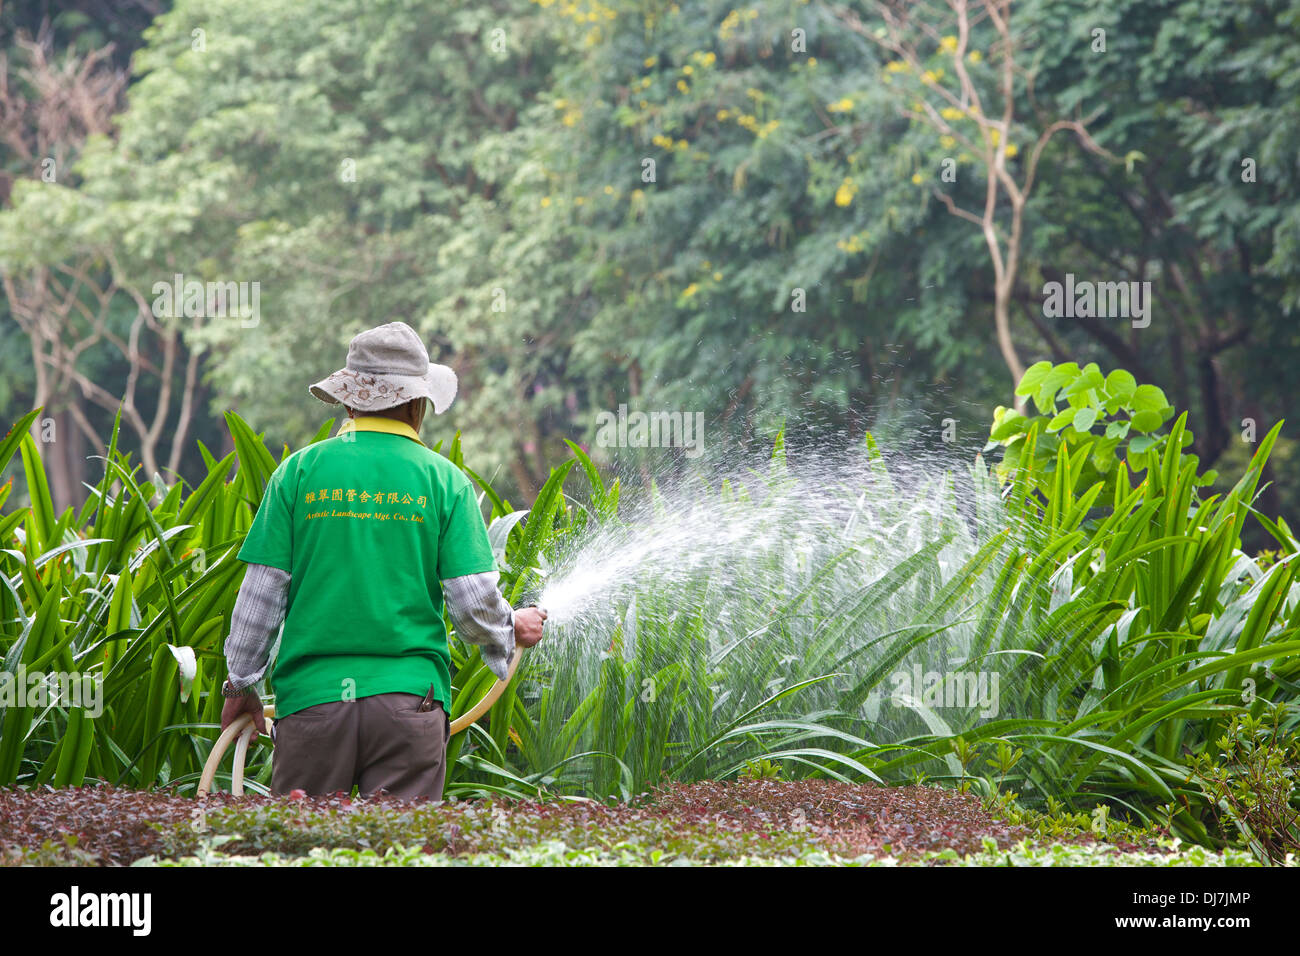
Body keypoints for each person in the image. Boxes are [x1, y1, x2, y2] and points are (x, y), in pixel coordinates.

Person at [219, 320, 546, 800]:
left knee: (301, 849)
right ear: (418, 404)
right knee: (402, 850)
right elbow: (473, 604)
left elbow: (260, 596)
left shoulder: (298, 473)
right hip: (409, 707)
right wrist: (510, 627)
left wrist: (240, 687)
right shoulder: (445, 482)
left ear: (350, 399)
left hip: (313, 707)